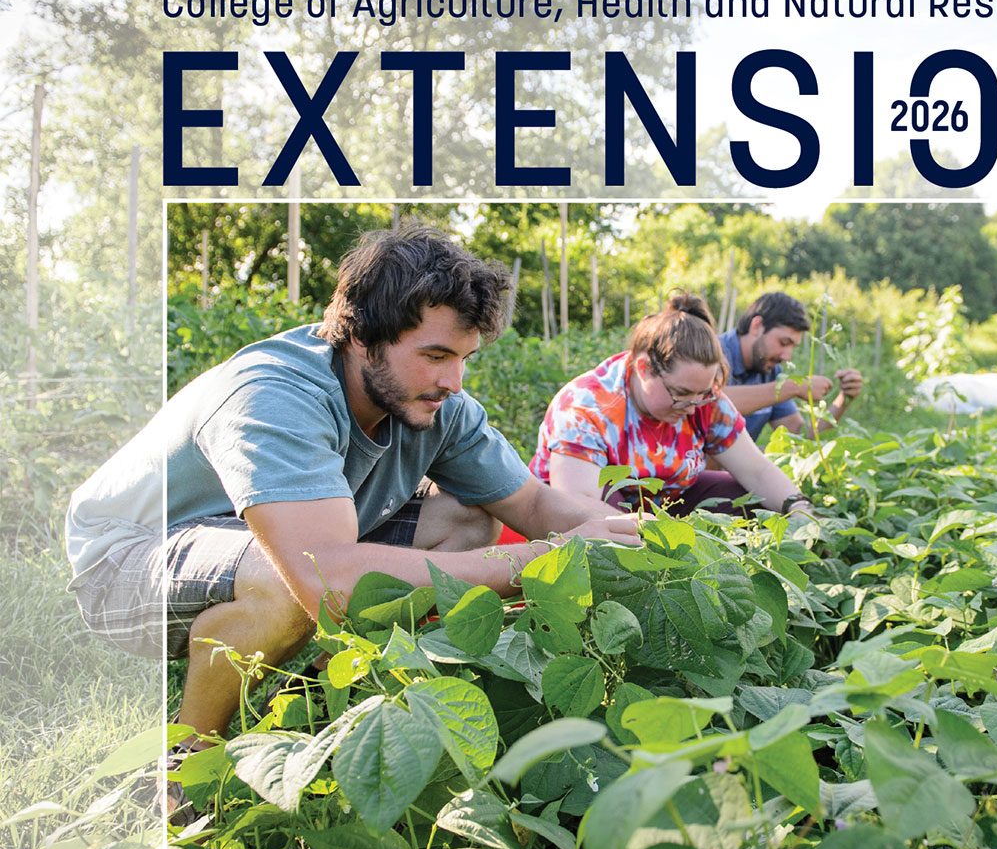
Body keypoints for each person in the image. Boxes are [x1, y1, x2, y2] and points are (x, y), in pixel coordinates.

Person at [65, 225, 638, 752]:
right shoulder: (274, 394)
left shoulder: (437, 403)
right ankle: (186, 764)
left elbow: (533, 502)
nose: (452, 381)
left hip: (270, 542)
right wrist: (543, 559)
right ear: (362, 337)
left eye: (463, 359)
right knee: (294, 580)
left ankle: (313, 704)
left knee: (468, 516)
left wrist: (626, 539)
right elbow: (324, 577)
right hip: (127, 562)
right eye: (435, 355)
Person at [529, 293, 809, 516]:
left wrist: (798, 508)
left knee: (751, 499)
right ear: (644, 368)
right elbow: (575, 503)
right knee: (610, 513)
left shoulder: (703, 401)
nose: (691, 407)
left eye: (703, 394)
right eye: (680, 394)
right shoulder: (587, 407)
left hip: (662, 507)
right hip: (581, 512)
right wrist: (654, 537)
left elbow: (757, 470)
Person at [717, 291, 864, 440]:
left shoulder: (770, 371)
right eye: (784, 343)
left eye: (792, 347)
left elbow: (800, 437)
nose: (787, 357)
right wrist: (794, 387)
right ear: (756, 326)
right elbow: (709, 403)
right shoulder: (713, 354)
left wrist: (843, 399)